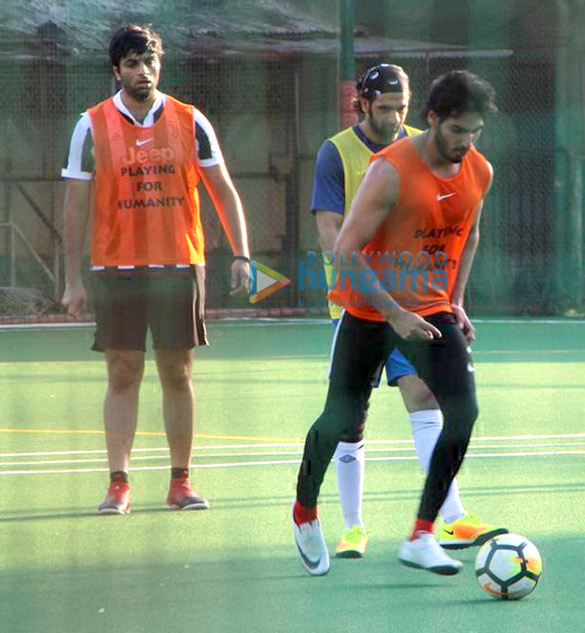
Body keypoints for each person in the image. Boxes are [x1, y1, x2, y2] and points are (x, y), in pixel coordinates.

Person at [293, 70, 498, 576]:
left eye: (475, 132)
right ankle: (304, 510)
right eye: (457, 132)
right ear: (433, 119)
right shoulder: (390, 170)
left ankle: (422, 533)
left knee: (463, 411)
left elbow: (466, 238)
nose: (466, 143)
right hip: (367, 310)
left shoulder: (478, 171)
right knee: (341, 421)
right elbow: (344, 249)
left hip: (429, 308)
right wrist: (392, 312)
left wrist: (455, 302)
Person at [61, 24, 250, 515]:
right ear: (116, 70)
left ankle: (180, 482)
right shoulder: (91, 125)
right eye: (131, 63)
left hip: (179, 264)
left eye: (149, 61)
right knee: (122, 372)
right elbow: (74, 205)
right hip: (115, 267)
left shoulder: (191, 120)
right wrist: (72, 278)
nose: (142, 71)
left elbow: (223, 191)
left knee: (177, 371)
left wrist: (242, 254)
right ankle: (118, 484)